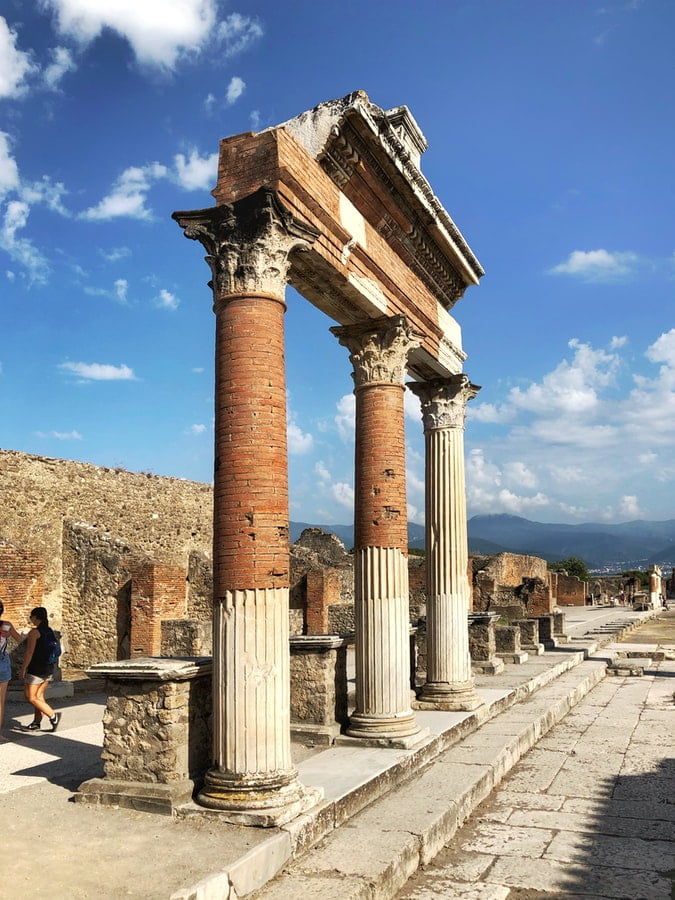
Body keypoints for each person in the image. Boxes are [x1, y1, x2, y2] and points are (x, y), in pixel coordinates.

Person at [20, 607, 61, 732]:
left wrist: (23, 668)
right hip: (48, 668)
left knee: (30, 697)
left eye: (31, 617)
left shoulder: (34, 633)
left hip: (36, 669)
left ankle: (53, 716)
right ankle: (36, 723)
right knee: (39, 696)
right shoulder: (49, 630)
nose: (30, 619)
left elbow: (29, 652)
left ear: (36, 618)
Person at [0, 601, 25, 741]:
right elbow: (20, 640)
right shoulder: (6, 625)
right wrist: (9, 633)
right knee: (0, 702)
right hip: (2, 662)